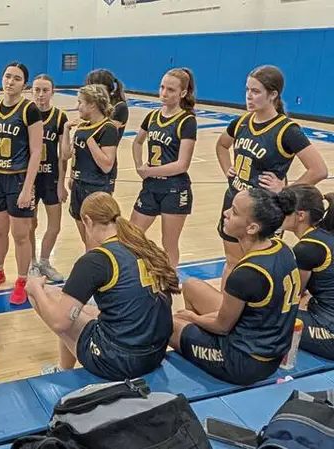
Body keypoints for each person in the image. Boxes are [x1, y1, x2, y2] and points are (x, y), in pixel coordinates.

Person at [26, 192, 177, 381]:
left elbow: (59, 322)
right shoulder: (144, 245)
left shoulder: (96, 260)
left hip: (119, 361)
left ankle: (64, 370)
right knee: (77, 307)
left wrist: (35, 288)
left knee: (48, 296)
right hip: (155, 354)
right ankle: (63, 368)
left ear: (88, 221)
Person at [171, 188, 301, 385]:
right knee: (191, 286)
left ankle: (196, 346)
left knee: (167, 323)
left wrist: (193, 318)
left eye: (234, 212)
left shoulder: (247, 274)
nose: (226, 213)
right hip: (268, 345)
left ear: (252, 228)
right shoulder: (282, 248)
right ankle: (194, 343)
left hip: (244, 361)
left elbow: (222, 327)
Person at [215, 65, 327, 288]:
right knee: (232, 263)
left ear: (273, 94)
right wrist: (228, 168)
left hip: (264, 211)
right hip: (234, 202)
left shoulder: (287, 130)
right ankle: (226, 307)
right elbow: (221, 145)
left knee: (261, 269)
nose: (249, 96)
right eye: (247, 90)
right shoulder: (241, 122)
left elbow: (319, 169)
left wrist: (285, 191)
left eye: (256, 91)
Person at [0, 62, 43, 305]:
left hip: (19, 178)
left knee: (20, 235)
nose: (10, 81)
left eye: (16, 78)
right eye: (7, 76)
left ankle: (23, 280)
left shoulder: (29, 110)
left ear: (24, 84)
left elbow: (36, 151)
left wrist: (27, 188)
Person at [130, 68, 197, 268]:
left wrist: (149, 171)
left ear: (182, 93)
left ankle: (170, 279)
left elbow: (182, 164)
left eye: (170, 90)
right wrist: (139, 165)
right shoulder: (152, 116)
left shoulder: (187, 121)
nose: (164, 93)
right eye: (162, 87)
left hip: (175, 189)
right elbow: (137, 142)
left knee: (169, 242)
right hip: (151, 186)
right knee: (131, 235)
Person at [281, 184, 334, 359]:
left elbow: (292, 297)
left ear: (301, 216)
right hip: (325, 313)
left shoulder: (306, 248)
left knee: (268, 317)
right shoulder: (323, 235)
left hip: (329, 329)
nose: (279, 213)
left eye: (284, 209)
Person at [63, 84, 119, 246]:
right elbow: (66, 155)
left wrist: (90, 141)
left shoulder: (108, 128)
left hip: (97, 188)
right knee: (86, 240)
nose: (77, 107)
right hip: (78, 186)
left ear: (92, 105)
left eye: (80, 102)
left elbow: (107, 165)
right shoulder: (82, 126)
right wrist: (66, 130)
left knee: (96, 240)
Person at [29, 74, 69, 281]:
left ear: (53, 92)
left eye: (45, 90)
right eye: (37, 90)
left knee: (55, 225)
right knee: (30, 224)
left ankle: (44, 262)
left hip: (51, 177)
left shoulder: (60, 117)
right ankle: (31, 263)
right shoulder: (26, 114)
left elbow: (63, 155)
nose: (41, 94)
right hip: (30, 179)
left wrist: (62, 183)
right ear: (31, 91)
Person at [85, 69, 129, 190]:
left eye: (90, 86)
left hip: (104, 160)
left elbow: (103, 131)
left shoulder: (119, 107)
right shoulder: (93, 105)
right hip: (87, 160)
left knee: (101, 201)